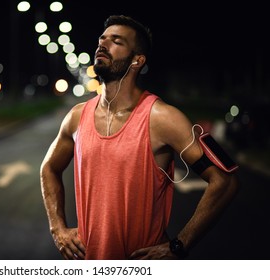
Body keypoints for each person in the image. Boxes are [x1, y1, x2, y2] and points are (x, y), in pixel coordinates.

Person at [40, 15, 239, 260]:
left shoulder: (162, 118)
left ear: (137, 60)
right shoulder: (76, 117)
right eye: (102, 39)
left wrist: (179, 245)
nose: (103, 44)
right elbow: (49, 167)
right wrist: (57, 228)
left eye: (117, 41)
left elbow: (225, 181)